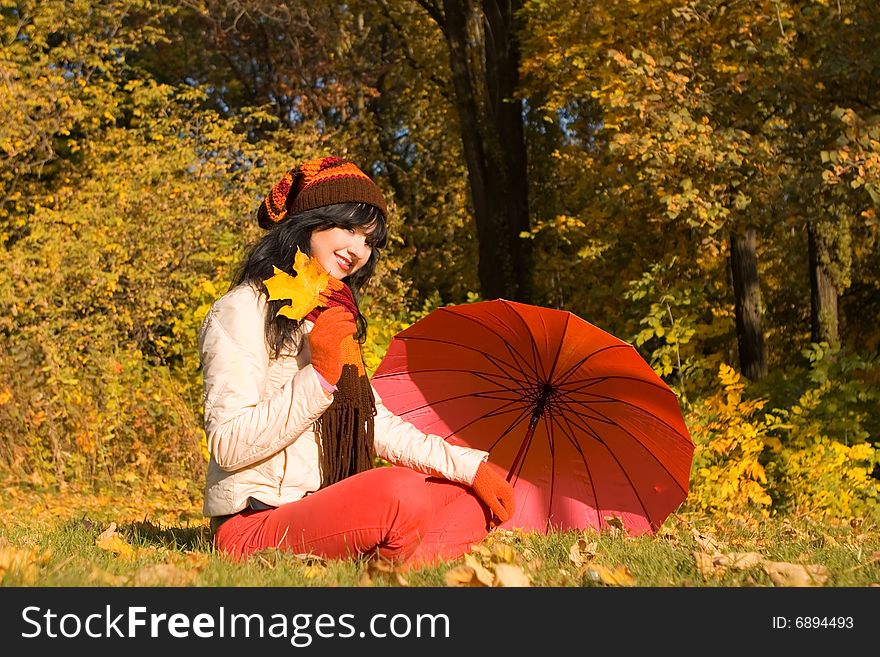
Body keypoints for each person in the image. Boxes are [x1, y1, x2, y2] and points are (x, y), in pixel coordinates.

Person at [199, 155, 515, 569]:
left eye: (369, 240)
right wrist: (319, 378)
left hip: (323, 505)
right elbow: (227, 445)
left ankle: (384, 558)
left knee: (468, 498)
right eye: (348, 227)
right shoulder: (241, 309)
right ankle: (397, 552)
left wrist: (469, 467)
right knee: (401, 494)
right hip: (255, 522)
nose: (358, 250)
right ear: (310, 221)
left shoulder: (332, 316)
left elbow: (374, 424)